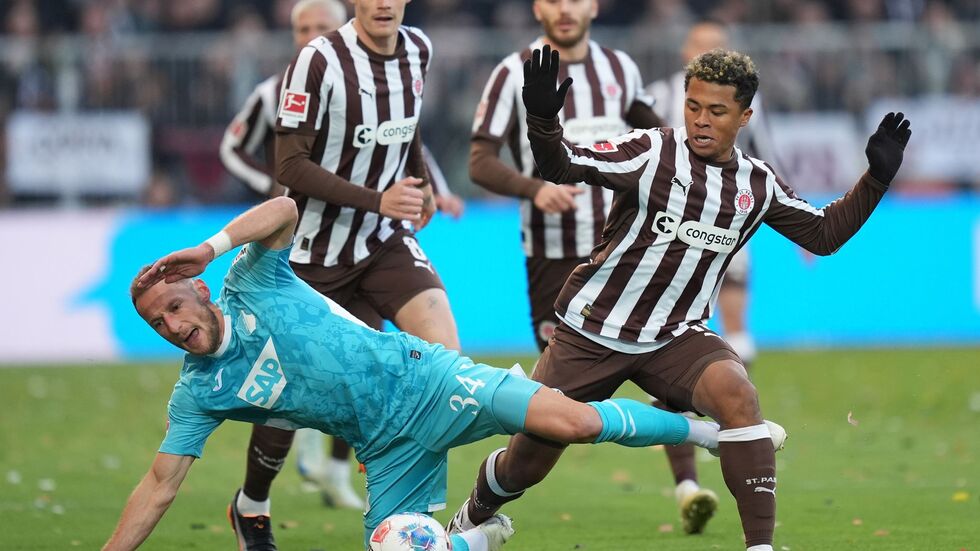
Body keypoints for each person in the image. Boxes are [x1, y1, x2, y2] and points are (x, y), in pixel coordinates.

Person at [448, 45, 910, 551]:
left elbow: (823, 235)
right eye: (693, 106)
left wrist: (876, 179)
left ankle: (760, 547)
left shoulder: (757, 184)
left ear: (744, 116)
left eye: (717, 111)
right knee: (527, 464)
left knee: (739, 397)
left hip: (674, 337)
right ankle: (473, 514)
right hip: (592, 331)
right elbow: (561, 166)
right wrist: (542, 119)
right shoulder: (651, 152)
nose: (701, 120)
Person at [101, 196, 735, 551]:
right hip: (385, 449)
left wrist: (209, 246)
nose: (174, 325)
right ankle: (474, 543)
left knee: (569, 422)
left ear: (202, 292)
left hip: (428, 381)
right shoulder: (198, 393)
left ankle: (701, 433)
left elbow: (286, 208)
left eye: (176, 306)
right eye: (159, 323)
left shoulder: (249, 280)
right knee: (395, 548)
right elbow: (159, 485)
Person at [218, 0, 370, 519]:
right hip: (293, 247)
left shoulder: (363, 87)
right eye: (302, 28)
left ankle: (333, 468)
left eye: (320, 28)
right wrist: (272, 190)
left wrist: (434, 188)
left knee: (359, 361)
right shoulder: (273, 90)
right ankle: (258, 492)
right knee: (284, 366)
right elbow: (232, 147)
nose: (310, 36)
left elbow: (401, 141)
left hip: (357, 242)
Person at [642, 18, 781, 533]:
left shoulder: (748, 116)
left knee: (719, 334)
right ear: (685, 52)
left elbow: (768, 152)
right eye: (700, 47)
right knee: (658, 349)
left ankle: (729, 403)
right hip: (660, 239)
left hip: (728, 219)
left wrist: (793, 211)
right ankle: (698, 457)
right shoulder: (655, 99)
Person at [470, 0, 663, 352]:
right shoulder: (512, 72)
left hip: (624, 243)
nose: (564, 10)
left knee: (658, 357)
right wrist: (534, 190)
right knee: (559, 377)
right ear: (535, 8)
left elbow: (660, 140)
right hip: (554, 247)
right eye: (553, 1)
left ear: (594, 6)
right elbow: (479, 162)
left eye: (574, 0)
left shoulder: (620, 68)